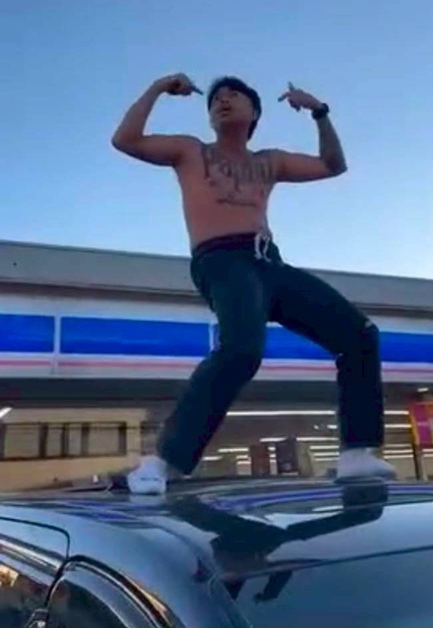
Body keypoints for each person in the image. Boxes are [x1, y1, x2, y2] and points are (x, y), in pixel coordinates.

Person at [111, 72, 395, 493]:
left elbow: (334, 166)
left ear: (255, 112)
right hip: (221, 258)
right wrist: (157, 88)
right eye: (214, 100)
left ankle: (357, 453)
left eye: (233, 96)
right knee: (242, 350)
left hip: (269, 263)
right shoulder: (190, 150)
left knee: (360, 335)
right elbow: (126, 140)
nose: (221, 101)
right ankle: (163, 461)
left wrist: (319, 112)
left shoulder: (270, 161)